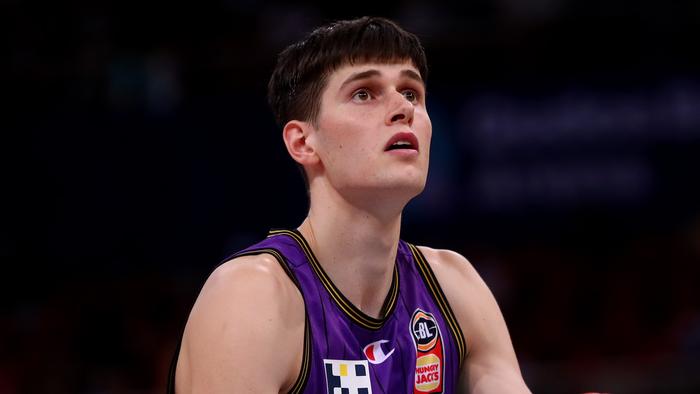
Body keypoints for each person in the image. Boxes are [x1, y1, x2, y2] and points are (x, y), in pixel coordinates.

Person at [168, 16, 531, 393]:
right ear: (303, 143)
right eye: (364, 93)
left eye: (411, 92)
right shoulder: (251, 297)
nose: (402, 108)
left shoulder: (455, 287)